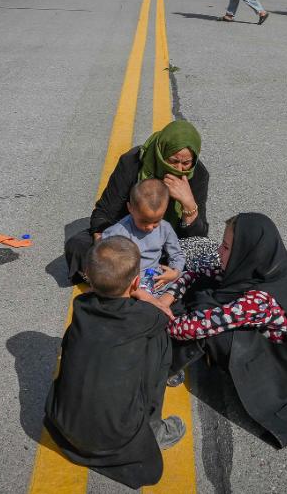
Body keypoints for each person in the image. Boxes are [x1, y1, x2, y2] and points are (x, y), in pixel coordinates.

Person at [165, 213, 287, 448]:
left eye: (226, 248)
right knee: (207, 290)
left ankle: (165, 366)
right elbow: (202, 274)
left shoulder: (259, 300)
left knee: (212, 329)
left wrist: (161, 317)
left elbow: (194, 328)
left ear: (245, 252)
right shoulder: (269, 269)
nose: (219, 253)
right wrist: (172, 293)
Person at [44, 236, 185, 489]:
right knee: (159, 341)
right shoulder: (144, 316)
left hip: (64, 425)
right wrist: (146, 296)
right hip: (114, 438)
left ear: (88, 276)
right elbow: (165, 316)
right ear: (136, 281)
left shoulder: (81, 305)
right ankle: (154, 427)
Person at [63, 120, 209, 284]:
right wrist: (105, 250)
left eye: (186, 163)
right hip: (126, 240)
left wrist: (188, 205)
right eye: (173, 161)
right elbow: (103, 213)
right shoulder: (133, 162)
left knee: (204, 256)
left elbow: (199, 237)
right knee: (78, 245)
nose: (179, 169)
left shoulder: (198, 175)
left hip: (166, 244)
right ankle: (124, 279)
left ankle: (119, 281)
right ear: (160, 152)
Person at [102, 179, 186, 288]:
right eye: (144, 221)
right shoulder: (117, 233)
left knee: (188, 278)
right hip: (128, 283)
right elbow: (103, 260)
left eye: (156, 221)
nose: (150, 227)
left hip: (156, 279)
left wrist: (174, 272)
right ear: (130, 208)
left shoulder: (165, 228)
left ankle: (161, 301)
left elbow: (177, 254)